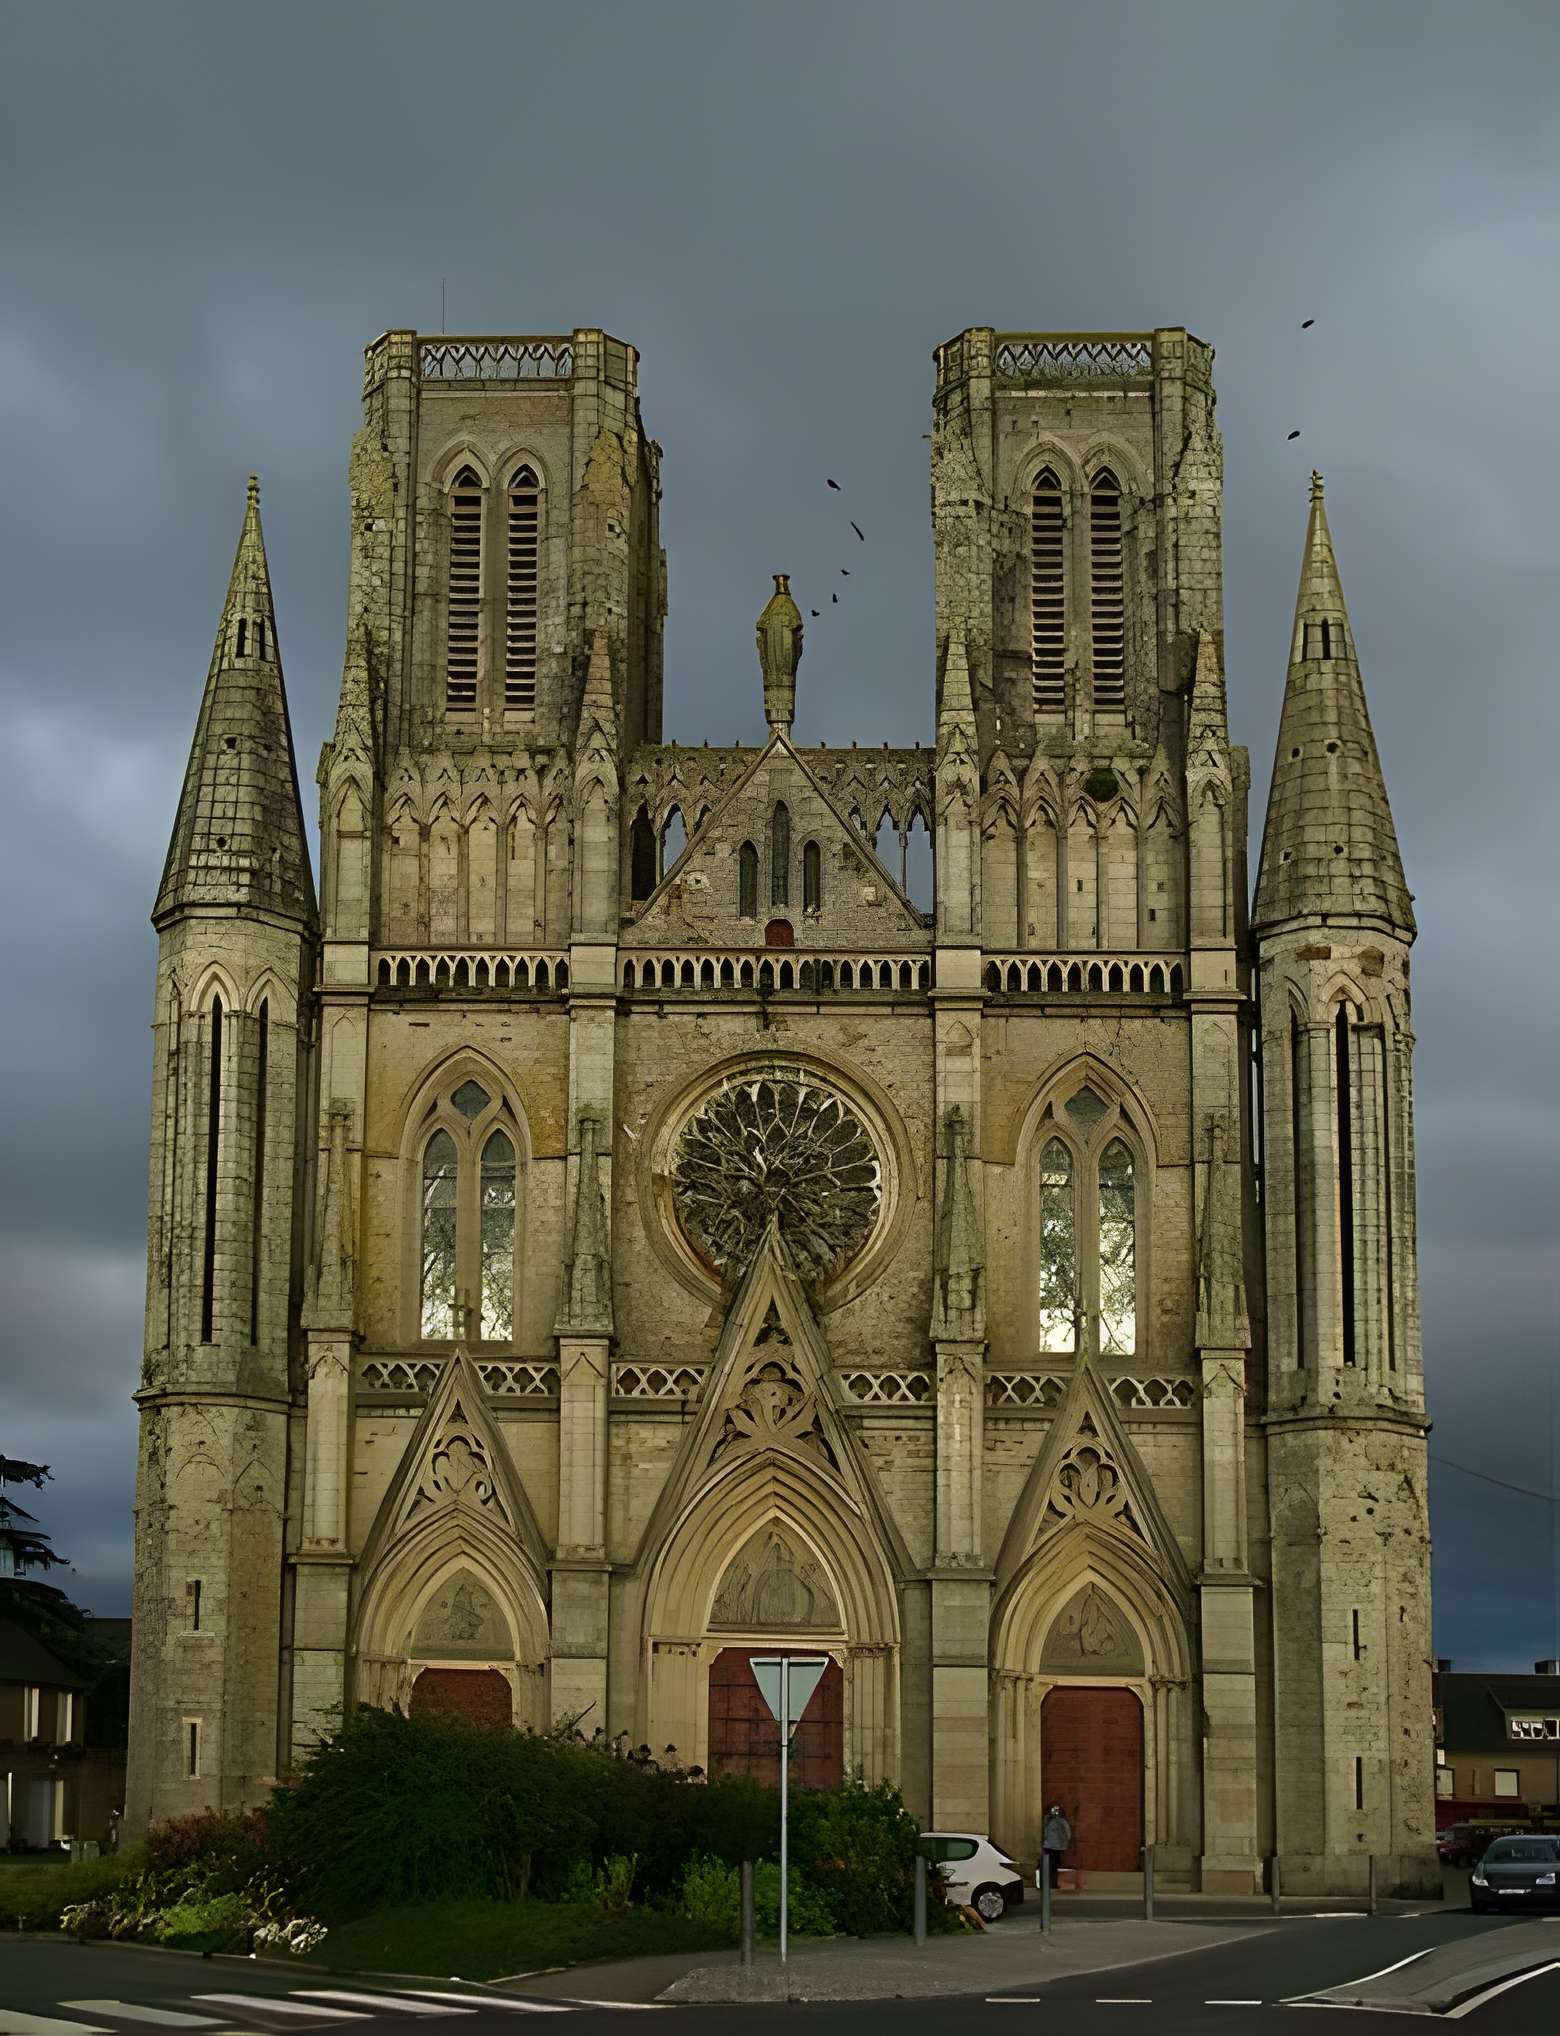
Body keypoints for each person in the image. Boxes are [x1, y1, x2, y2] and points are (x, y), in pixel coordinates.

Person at [1041, 1803, 1072, 1885]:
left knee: (1053, 1865)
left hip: (1055, 1846)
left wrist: (1063, 1843)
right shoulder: (1048, 1820)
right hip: (1050, 1846)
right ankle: (1050, 1882)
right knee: (1051, 1865)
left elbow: (1067, 1833)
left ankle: (1053, 1882)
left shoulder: (1060, 1821)